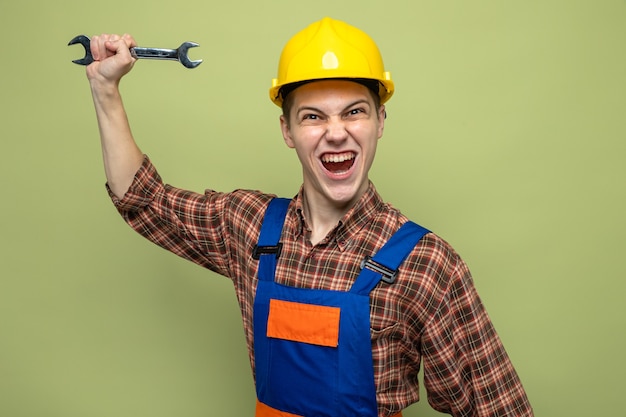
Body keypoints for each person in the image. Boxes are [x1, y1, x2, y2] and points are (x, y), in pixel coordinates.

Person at [84, 17, 533, 417]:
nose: (336, 132)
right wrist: (105, 91)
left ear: (380, 120)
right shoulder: (249, 226)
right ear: (288, 132)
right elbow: (141, 199)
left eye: (354, 112)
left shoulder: (427, 264)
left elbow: (500, 408)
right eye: (313, 116)